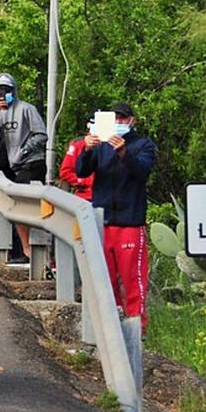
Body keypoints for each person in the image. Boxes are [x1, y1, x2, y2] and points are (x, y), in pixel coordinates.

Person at [76, 101, 157, 330]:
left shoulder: (143, 145)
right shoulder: (101, 144)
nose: (119, 123)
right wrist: (87, 149)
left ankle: (138, 328)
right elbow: (82, 171)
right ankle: (111, 327)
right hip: (103, 221)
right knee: (106, 280)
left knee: (133, 281)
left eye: (123, 119)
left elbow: (142, 172)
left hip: (129, 222)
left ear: (132, 121)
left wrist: (123, 152)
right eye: (115, 119)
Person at [0, 72, 48, 264]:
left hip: (32, 163)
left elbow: (41, 135)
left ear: (14, 90)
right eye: (0, 90)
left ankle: (30, 252)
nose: (4, 94)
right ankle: (25, 250)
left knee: (24, 207)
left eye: (7, 90)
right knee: (17, 208)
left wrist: (24, 150)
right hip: (14, 166)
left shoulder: (27, 109)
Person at [59, 114, 96, 201]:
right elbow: (65, 172)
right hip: (85, 197)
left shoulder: (114, 145)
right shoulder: (78, 144)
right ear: (89, 125)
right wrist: (83, 181)